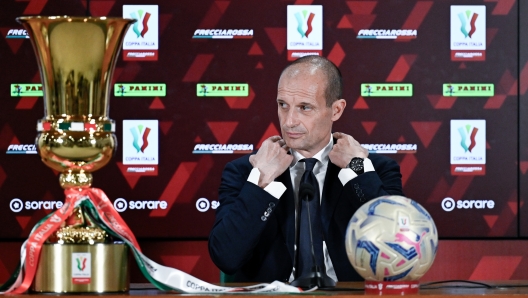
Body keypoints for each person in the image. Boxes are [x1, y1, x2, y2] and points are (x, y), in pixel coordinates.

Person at [208, 56, 404, 283]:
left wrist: (357, 170)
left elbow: (398, 250)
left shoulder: (376, 170)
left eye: (304, 107)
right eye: (283, 105)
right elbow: (226, 257)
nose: (289, 121)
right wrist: (260, 181)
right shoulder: (245, 172)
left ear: (336, 110)